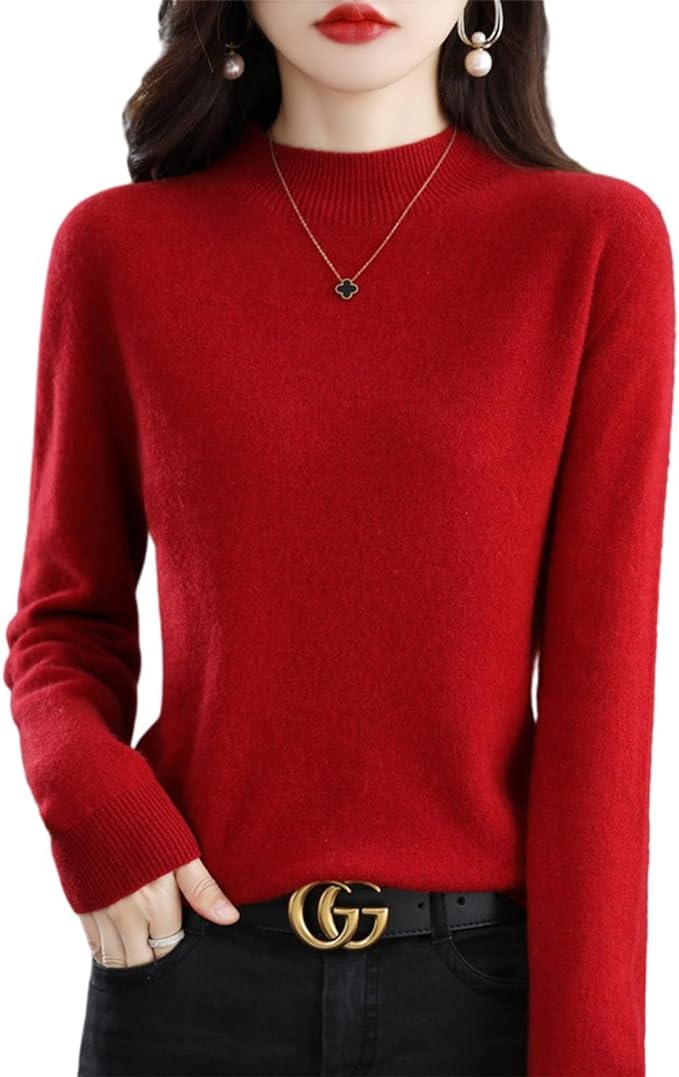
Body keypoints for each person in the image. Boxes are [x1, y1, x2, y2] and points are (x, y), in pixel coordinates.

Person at [3, 1, 674, 1075]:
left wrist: (592, 1056)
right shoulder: (118, 251)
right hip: (188, 970)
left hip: (479, 997)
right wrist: (91, 804)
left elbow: (605, 700)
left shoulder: (593, 244)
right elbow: (62, 620)